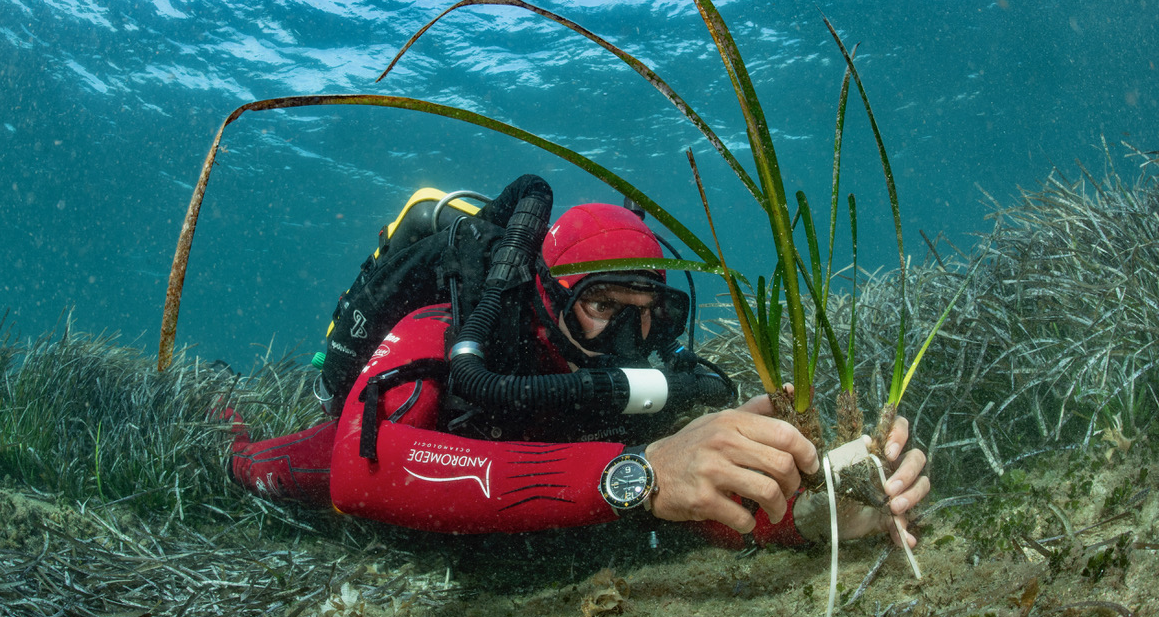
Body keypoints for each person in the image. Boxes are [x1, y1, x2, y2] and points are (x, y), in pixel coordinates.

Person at [225, 179, 929, 550]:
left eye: (643, 309)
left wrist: (815, 513)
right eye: (601, 305)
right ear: (548, 297)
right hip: (398, 441)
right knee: (267, 466)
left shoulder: (653, 378)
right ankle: (226, 427)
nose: (628, 334)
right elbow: (360, 466)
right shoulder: (460, 328)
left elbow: (704, 505)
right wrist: (642, 474)